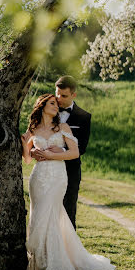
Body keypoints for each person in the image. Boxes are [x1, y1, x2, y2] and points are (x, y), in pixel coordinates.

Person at [21, 94, 115, 270]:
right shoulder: (33, 128)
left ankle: (55, 267)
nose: (57, 106)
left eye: (57, 104)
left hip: (57, 176)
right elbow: (28, 160)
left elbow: (74, 153)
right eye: (52, 103)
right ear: (42, 106)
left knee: (49, 215)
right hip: (38, 178)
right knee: (38, 217)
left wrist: (50, 154)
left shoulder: (62, 128)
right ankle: (38, 266)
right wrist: (27, 147)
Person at [31, 75, 91, 229]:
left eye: (63, 95)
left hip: (70, 170)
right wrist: (33, 151)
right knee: (44, 210)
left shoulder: (83, 117)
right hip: (45, 171)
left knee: (68, 210)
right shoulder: (49, 109)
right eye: (56, 93)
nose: (58, 98)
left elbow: (82, 147)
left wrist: (62, 150)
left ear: (73, 95)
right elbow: (35, 136)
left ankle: (67, 249)